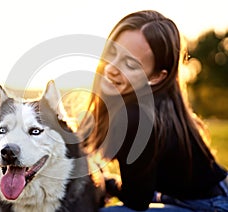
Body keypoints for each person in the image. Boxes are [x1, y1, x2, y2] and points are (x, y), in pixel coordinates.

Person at [78, 10, 228, 211]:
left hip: (210, 205)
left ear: (157, 76)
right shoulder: (147, 103)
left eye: (130, 64)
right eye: (113, 53)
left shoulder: (136, 116)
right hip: (200, 195)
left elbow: (137, 201)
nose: (113, 68)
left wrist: (108, 184)